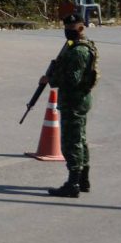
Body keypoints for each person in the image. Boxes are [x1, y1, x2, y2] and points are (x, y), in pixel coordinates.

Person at [42, 14, 99, 198]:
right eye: (66, 28)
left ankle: (73, 183)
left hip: (73, 101)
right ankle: (83, 180)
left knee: (71, 142)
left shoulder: (79, 51)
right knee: (80, 139)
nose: (67, 32)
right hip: (77, 100)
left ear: (81, 28)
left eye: (71, 29)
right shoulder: (76, 46)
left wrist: (51, 79)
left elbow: (72, 79)